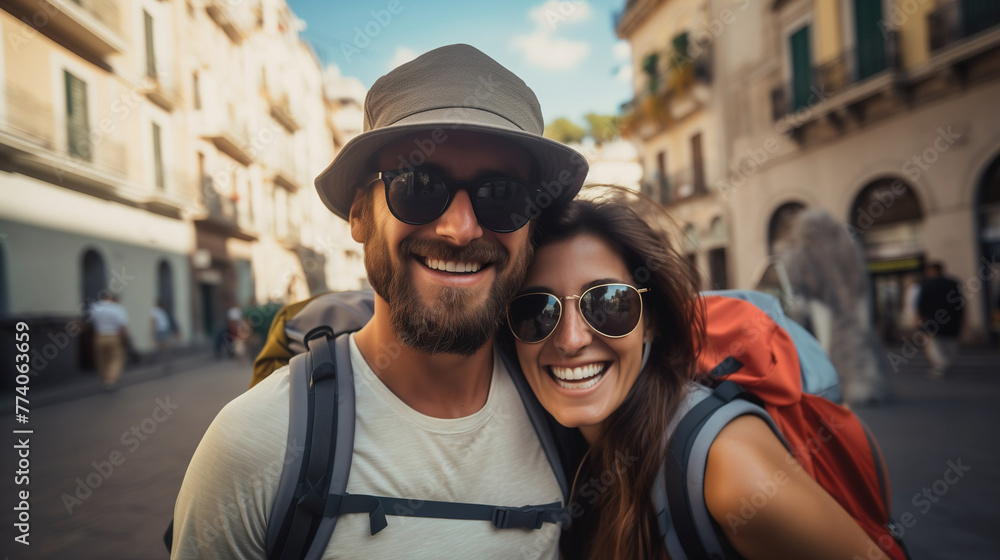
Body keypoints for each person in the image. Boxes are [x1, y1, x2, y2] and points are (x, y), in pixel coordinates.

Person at [170, 44, 587, 558]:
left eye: (502, 195)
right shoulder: (255, 444)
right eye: (418, 185)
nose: (459, 229)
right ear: (359, 216)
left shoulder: (570, 418)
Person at [505, 189, 893, 560]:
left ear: (651, 322)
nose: (571, 340)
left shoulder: (728, 469)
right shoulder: (563, 451)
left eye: (608, 303)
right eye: (537, 311)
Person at [916, 261, 965, 377]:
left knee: (935, 344)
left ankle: (941, 365)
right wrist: (962, 317)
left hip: (933, 318)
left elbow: (921, 303)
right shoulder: (953, 283)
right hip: (952, 318)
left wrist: (919, 317)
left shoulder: (926, 284)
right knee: (950, 342)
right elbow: (960, 303)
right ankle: (948, 362)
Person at [89, 292, 130, 390]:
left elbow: (89, 322)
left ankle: (104, 378)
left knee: (101, 359)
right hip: (113, 336)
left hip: (99, 336)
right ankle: (110, 380)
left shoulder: (95, 307)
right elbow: (122, 325)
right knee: (116, 358)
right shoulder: (117, 308)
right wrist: (126, 337)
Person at [150, 299, 177, 374]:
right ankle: (164, 361)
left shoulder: (158, 311)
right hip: (162, 331)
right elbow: (155, 322)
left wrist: (152, 332)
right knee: (164, 347)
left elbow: (155, 322)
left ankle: (163, 361)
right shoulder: (159, 311)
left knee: (162, 347)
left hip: (162, 331)